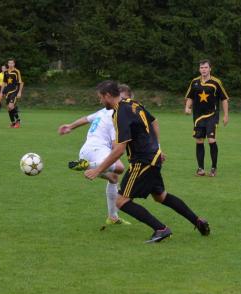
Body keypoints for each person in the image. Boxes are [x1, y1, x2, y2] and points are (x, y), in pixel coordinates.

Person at [85, 80, 210, 243]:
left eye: (101, 98)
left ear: (108, 96)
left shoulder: (120, 113)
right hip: (153, 157)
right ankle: (198, 221)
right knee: (160, 196)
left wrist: (98, 169)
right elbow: (154, 121)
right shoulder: (133, 103)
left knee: (121, 201)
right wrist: (157, 147)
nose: (100, 101)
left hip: (142, 161)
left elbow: (119, 150)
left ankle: (161, 229)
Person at [59, 84, 134, 228]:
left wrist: (70, 126)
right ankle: (87, 165)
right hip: (97, 151)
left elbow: (86, 119)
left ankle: (112, 217)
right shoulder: (116, 116)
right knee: (119, 167)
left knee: (113, 178)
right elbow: (115, 145)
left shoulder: (103, 111)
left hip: (85, 150)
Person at [184, 59, 229, 177]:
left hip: (212, 115)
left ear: (210, 68)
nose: (203, 70)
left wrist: (226, 115)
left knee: (211, 140)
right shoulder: (194, 82)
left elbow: (224, 98)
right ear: (199, 69)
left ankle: (213, 168)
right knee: (199, 141)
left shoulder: (216, 82)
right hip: (198, 117)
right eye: (201, 68)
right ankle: (201, 169)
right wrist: (187, 107)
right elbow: (190, 97)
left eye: (205, 67)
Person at [1, 58, 23, 128]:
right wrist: (1, 93)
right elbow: (4, 83)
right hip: (7, 92)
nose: (10, 64)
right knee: (9, 108)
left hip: (14, 90)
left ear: (14, 64)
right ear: (8, 64)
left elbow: (21, 82)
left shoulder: (17, 71)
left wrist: (19, 92)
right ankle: (13, 123)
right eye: (9, 63)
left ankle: (18, 121)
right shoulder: (6, 72)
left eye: (12, 63)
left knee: (11, 106)